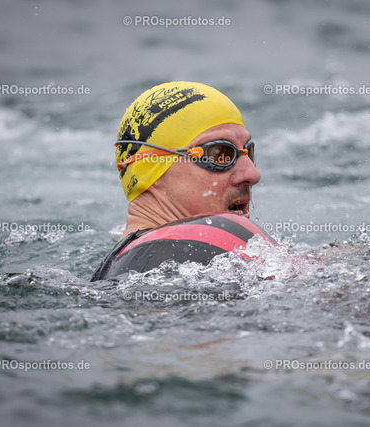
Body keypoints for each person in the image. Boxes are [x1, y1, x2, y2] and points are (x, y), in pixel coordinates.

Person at [91, 81, 269, 281]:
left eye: (248, 151)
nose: (252, 174)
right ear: (151, 171)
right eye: (219, 154)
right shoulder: (183, 252)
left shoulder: (130, 265)